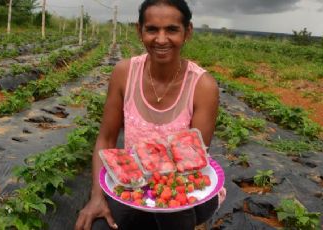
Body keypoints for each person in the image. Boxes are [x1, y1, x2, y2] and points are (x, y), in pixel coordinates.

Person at [75, 0, 226, 229]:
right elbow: (105, 139)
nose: (161, 39)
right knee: (99, 222)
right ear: (140, 31)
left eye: (172, 29)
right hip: (135, 183)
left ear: (188, 32)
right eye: (152, 29)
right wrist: (96, 196)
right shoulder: (124, 73)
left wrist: (163, 193)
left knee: (173, 216)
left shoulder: (203, 86)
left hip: (182, 186)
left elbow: (192, 164)